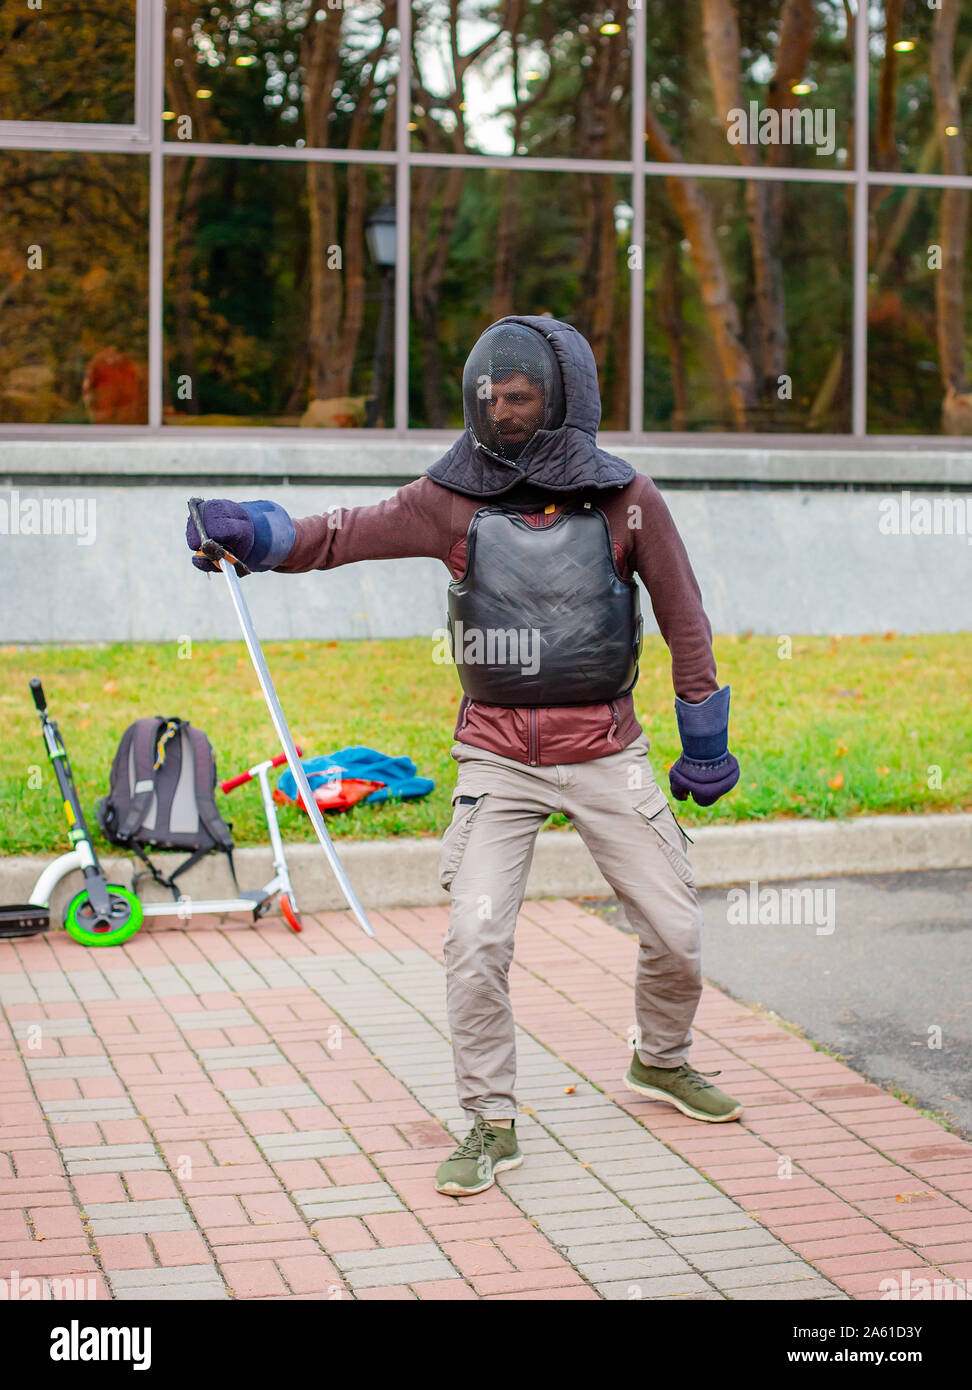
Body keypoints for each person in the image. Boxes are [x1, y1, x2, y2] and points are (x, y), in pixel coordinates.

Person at [186, 315, 742, 1199]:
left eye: (521, 395)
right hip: (497, 758)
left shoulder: (629, 498)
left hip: (607, 749)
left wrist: (703, 738)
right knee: (476, 939)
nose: (503, 408)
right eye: (491, 395)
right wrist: (250, 533)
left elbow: (685, 619)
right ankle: (489, 1119)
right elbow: (338, 533)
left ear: (563, 399)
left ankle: (662, 1059)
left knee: (676, 932)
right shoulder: (452, 497)